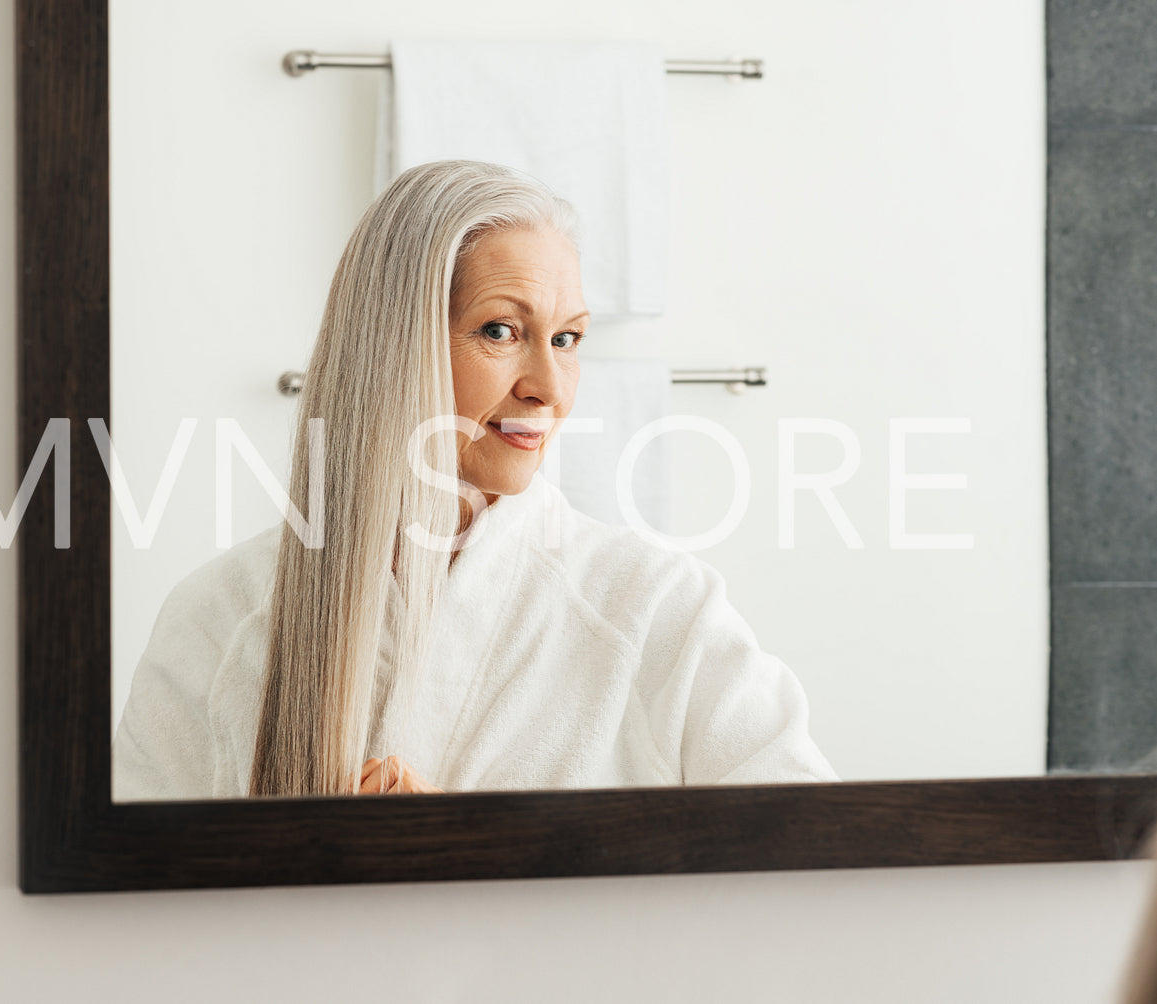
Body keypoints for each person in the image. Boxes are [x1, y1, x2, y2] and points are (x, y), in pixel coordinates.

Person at [113, 159, 835, 800]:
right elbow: (135, 918)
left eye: (566, 339)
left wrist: (462, 853)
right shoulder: (218, 617)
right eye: (499, 331)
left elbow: (813, 872)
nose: (549, 386)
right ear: (391, 349)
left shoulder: (654, 609)